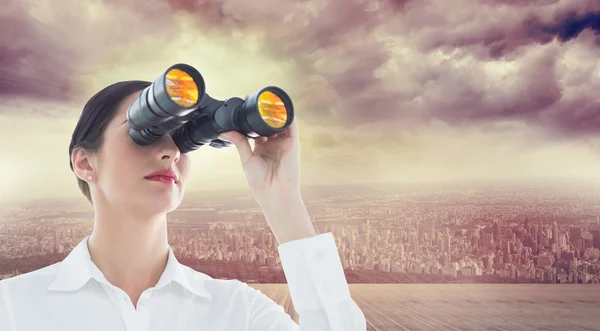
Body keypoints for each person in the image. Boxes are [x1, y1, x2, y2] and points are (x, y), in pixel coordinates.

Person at [0, 80, 367, 330]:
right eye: (142, 133)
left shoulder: (236, 311)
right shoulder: (12, 309)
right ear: (84, 163)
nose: (171, 151)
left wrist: (283, 199)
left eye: (183, 139)